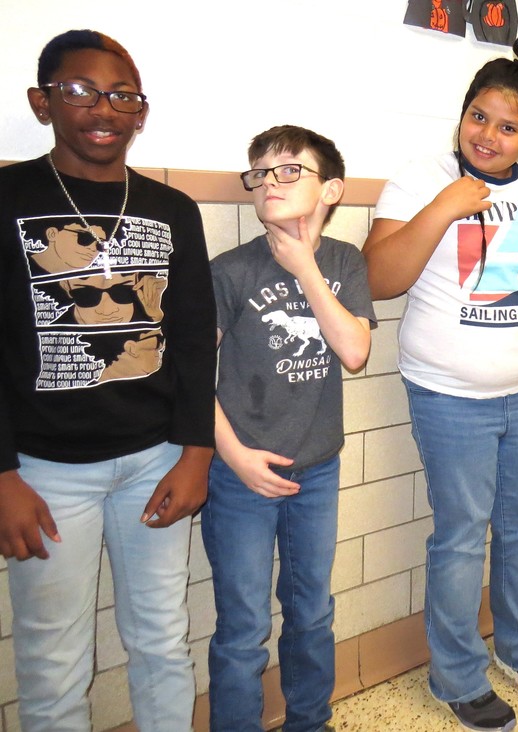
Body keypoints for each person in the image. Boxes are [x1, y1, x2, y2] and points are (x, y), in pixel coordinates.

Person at [363, 36, 518, 732]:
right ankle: (455, 674)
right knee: (463, 535)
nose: (487, 134)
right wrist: (445, 206)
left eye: (507, 125)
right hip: (447, 395)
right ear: (462, 114)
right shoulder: (419, 175)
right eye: (478, 115)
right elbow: (379, 279)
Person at [0, 29, 216, 731]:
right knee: (55, 658)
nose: (104, 108)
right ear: (43, 102)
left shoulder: (172, 209)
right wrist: (1, 475)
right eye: (81, 91)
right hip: (43, 472)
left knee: (161, 637)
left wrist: (196, 453)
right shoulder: (7, 196)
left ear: (140, 112)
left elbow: (190, 341)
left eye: (123, 95)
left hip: (154, 462)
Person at [202, 125, 375, 731]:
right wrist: (237, 457)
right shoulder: (230, 270)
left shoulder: (344, 262)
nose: (269, 182)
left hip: (317, 474)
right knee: (244, 627)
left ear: (332, 190)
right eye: (260, 173)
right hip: (240, 476)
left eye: (288, 171)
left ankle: (310, 721)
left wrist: (304, 267)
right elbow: (191, 377)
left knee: (310, 612)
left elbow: (354, 351)